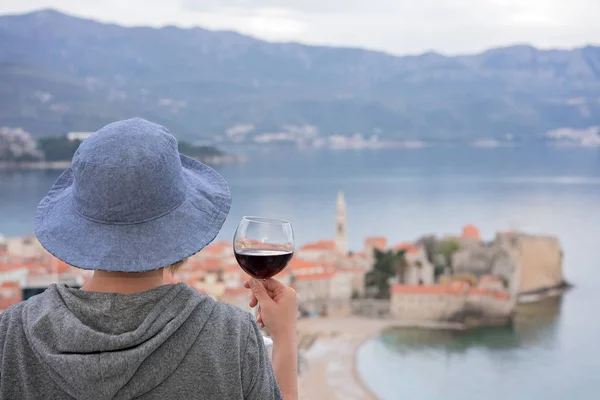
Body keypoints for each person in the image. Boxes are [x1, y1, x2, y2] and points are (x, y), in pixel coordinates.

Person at [0, 118, 298, 400]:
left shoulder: (11, 335)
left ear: (81, 224)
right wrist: (284, 336)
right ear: (181, 224)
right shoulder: (229, 336)